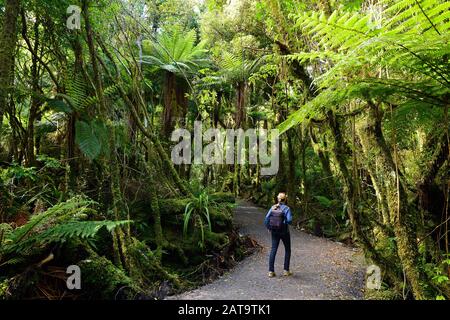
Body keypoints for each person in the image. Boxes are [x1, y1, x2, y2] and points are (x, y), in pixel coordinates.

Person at [264, 192, 293, 278]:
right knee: (287, 250)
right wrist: (284, 222)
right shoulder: (287, 208)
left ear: (278, 199)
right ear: (285, 199)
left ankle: (271, 271)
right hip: (284, 232)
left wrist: (270, 228)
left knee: (273, 250)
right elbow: (290, 220)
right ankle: (286, 270)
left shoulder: (273, 207)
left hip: (274, 232)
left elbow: (266, 219)